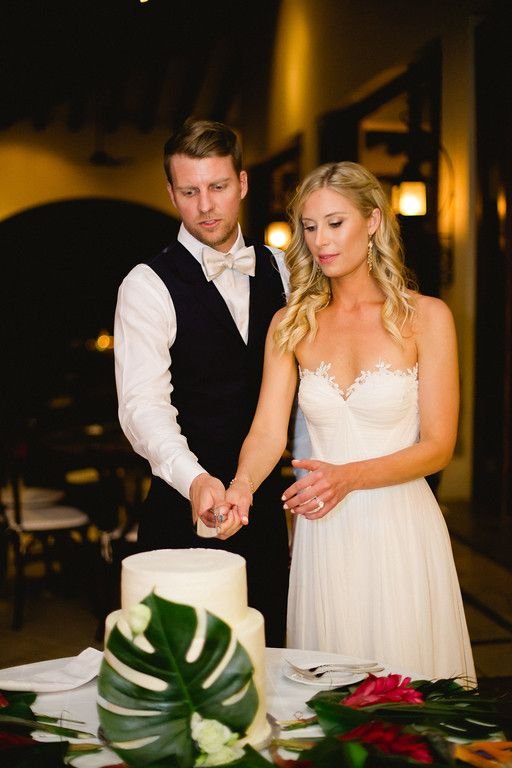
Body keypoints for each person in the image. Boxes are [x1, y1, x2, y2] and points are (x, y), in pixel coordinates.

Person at [224, 160, 476, 682]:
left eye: (335, 223)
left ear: (374, 221)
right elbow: (269, 431)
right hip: (325, 534)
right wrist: (241, 486)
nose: (321, 241)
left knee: (409, 703)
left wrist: (346, 476)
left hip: (400, 527)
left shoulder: (427, 318)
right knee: (331, 703)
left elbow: (438, 446)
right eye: (310, 227)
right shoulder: (291, 323)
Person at [114, 119, 293, 646]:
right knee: (187, 670)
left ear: (242, 182)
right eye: (190, 192)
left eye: (217, 187)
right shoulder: (146, 285)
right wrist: (194, 479)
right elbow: (142, 406)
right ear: (171, 193)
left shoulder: (284, 270)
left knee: (271, 659)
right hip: (182, 512)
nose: (206, 206)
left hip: (267, 508)